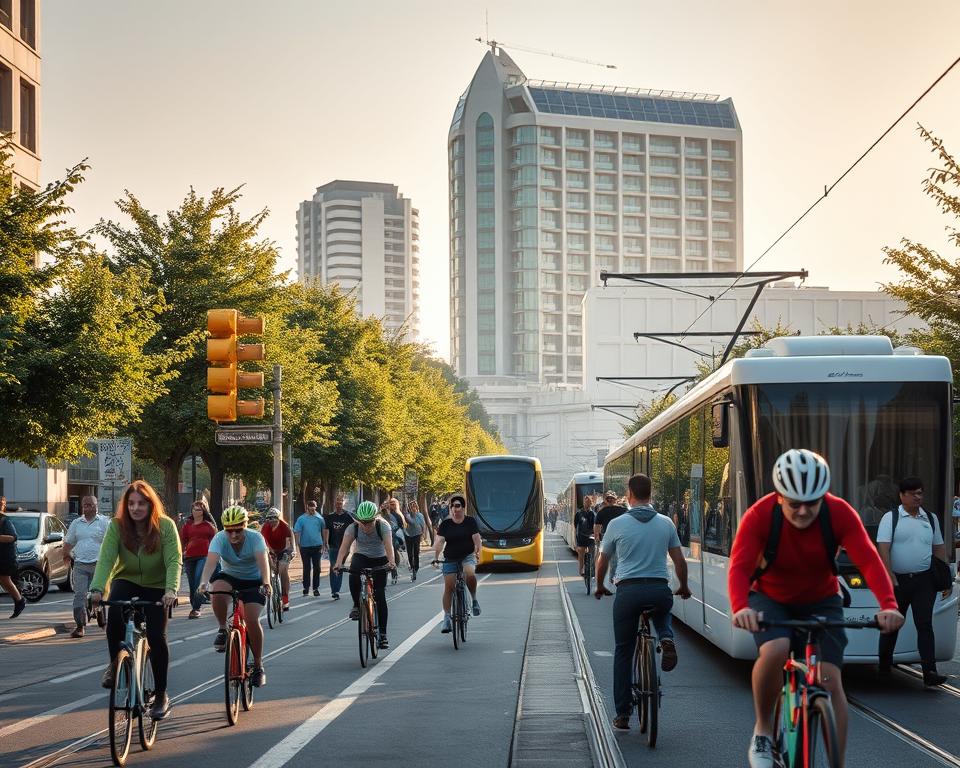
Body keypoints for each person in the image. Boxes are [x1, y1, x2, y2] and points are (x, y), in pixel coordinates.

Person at [728, 449, 903, 768]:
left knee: (829, 678)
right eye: (795, 503)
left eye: (814, 502)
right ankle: (763, 731)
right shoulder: (759, 515)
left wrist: (888, 605)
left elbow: (869, 562)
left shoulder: (839, 512)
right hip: (770, 597)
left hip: (822, 599)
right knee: (776, 649)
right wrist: (741, 607)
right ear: (779, 497)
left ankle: (837, 760)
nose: (805, 510)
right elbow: (739, 568)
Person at [594, 474, 690, 730]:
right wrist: (684, 586)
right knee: (662, 606)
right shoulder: (666, 523)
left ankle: (623, 714)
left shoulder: (616, 523)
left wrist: (600, 584)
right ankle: (666, 637)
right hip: (658, 588)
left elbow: (602, 561)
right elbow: (679, 561)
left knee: (624, 650)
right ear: (651, 494)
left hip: (628, 591)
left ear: (629, 494)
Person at [88, 481, 181, 720]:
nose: (135, 508)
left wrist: (170, 590)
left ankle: (161, 695)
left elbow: (173, 560)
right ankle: (116, 665)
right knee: (115, 619)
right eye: (131, 503)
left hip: (157, 585)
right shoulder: (117, 527)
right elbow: (106, 559)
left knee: (157, 637)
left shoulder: (166, 526)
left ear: (151, 505)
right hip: (126, 580)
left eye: (141, 503)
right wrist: (97, 589)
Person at [876, 476, 950, 685]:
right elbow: (884, 547)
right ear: (902, 496)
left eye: (921, 493)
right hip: (898, 581)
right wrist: (889, 575)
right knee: (891, 625)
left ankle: (930, 672)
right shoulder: (891, 518)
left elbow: (938, 548)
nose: (919, 497)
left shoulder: (930, 518)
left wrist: (945, 578)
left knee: (925, 624)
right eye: (914, 493)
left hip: (924, 581)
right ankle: (884, 667)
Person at [198, 505, 271, 687]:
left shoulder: (256, 538)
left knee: (252, 619)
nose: (234, 535)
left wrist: (266, 582)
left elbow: (263, 564)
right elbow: (211, 563)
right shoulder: (219, 539)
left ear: (245, 525)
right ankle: (223, 628)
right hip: (230, 577)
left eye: (238, 530)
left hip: (254, 581)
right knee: (217, 589)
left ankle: (258, 664)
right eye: (229, 531)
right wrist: (203, 582)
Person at [333, 500, 395, 649]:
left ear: (376, 518)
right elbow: (344, 547)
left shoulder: (383, 526)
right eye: (362, 522)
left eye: (369, 522)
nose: (365, 526)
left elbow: (388, 546)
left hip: (379, 559)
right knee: (353, 573)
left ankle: (383, 635)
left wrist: (391, 562)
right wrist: (338, 563)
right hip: (361, 556)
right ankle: (356, 605)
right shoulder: (352, 528)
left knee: (380, 595)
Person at [433, 494, 482, 634]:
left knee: (469, 573)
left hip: (467, 556)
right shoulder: (446, 524)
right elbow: (440, 542)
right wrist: (436, 557)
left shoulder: (470, 521)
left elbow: (476, 539)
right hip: (450, 558)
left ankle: (474, 600)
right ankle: (447, 617)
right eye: (452, 506)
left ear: (463, 507)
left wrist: (478, 551)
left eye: (457, 506)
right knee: (449, 586)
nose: (455, 509)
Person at [63, 495, 110, 637]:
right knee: (79, 595)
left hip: (99, 565)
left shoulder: (104, 522)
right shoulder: (77, 523)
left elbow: (111, 543)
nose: (88, 507)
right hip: (80, 565)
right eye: (85, 505)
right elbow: (69, 541)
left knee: (98, 595)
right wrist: (66, 554)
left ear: (97, 506)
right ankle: (80, 626)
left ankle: (101, 615)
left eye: (91, 504)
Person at [179, 498, 218, 619]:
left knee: (198, 581)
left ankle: (196, 608)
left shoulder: (208, 526)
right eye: (194, 509)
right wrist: (181, 553)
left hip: (204, 556)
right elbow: (182, 540)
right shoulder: (187, 525)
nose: (196, 511)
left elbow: (216, 540)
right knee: (191, 584)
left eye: (198, 509)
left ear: (203, 512)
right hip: (190, 557)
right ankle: (194, 606)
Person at [261, 507, 296, 611]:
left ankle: (285, 598)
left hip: (284, 549)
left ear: (279, 519)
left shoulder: (284, 526)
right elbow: (263, 543)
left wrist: (291, 551)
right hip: (270, 550)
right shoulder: (265, 527)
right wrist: (270, 556)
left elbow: (290, 541)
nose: (272, 522)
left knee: (282, 569)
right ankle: (271, 591)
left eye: (274, 520)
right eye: (270, 520)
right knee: (268, 568)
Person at [0, 496, 26, 619]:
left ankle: (20, 601)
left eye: (1, 503)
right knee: (5, 581)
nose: (0, 505)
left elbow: (13, 537)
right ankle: (19, 600)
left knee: (5, 580)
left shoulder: (5, 520)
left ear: (4, 505)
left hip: (5, 556)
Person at [324, 494, 353, 600]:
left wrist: (350, 545)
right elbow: (326, 530)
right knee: (333, 567)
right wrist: (325, 542)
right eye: (337, 503)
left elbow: (352, 530)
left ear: (343, 503)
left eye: (340, 503)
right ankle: (334, 590)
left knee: (340, 566)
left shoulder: (348, 517)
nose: (338, 505)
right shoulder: (330, 517)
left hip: (344, 546)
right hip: (333, 546)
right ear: (334, 504)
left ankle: (337, 588)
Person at [294, 500, 326, 596]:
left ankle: (315, 588)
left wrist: (325, 542)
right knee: (307, 567)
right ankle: (306, 587)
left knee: (317, 567)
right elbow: (297, 531)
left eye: (314, 507)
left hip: (317, 546)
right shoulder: (301, 519)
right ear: (307, 507)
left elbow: (324, 529)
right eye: (310, 507)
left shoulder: (319, 518)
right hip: (305, 546)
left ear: (316, 507)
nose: (312, 509)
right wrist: (297, 544)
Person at [402, 500, 426, 581]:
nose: (413, 507)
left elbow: (423, 525)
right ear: (409, 508)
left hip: (417, 535)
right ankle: (412, 567)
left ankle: (416, 567)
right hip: (408, 535)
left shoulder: (420, 515)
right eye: (411, 506)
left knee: (416, 551)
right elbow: (410, 522)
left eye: (414, 505)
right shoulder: (407, 516)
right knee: (409, 552)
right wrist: (405, 515)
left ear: (417, 506)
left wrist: (423, 534)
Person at [574, 495, 596, 576]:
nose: (587, 503)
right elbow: (575, 526)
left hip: (591, 537)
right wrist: (576, 540)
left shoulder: (593, 514)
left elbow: (596, 526)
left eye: (589, 502)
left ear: (591, 503)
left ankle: (592, 571)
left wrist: (595, 535)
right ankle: (581, 569)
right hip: (581, 537)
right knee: (581, 554)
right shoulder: (579, 514)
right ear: (583, 503)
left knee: (593, 553)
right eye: (586, 502)